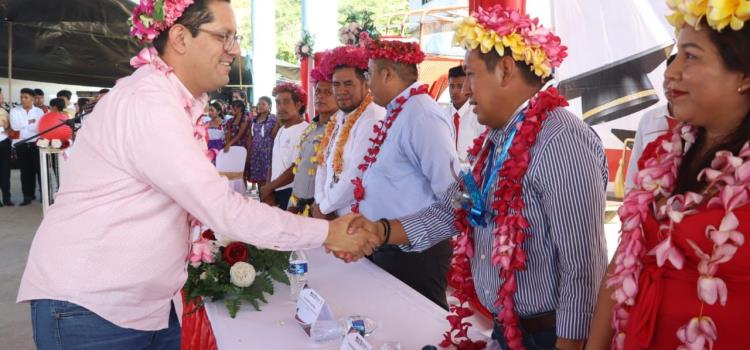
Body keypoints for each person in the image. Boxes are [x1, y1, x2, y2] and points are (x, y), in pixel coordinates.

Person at [16, 1, 377, 348]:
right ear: (180, 38)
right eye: (224, 36)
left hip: (150, 307)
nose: (234, 51)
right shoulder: (148, 101)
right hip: (92, 310)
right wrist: (328, 232)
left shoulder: (174, 100)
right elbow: (221, 209)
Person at [343, 6, 607, 350]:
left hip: (549, 336)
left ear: (507, 70)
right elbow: (454, 209)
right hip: (509, 329)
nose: (465, 89)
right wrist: (381, 230)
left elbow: (583, 265)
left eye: (471, 74)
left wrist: (569, 346)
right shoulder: (496, 140)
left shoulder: (560, 140)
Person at [587, 4, 750, 349]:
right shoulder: (662, 152)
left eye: (690, 56)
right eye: (675, 55)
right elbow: (622, 264)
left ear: (745, 76)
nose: (669, 72)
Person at [347, 38, 460, 310]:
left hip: (416, 250)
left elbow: (450, 194)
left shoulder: (422, 115)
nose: (367, 82)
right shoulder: (399, 112)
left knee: (422, 326)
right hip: (387, 242)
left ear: (387, 74)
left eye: (369, 73)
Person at [312, 45, 385, 219]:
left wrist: (324, 207)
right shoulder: (338, 118)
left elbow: (356, 174)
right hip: (331, 213)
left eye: (348, 84)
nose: (341, 91)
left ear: (365, 83)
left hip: (358, 217)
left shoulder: (374, 116)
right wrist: (320, 203)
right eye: (336, 84)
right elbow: (323, 164)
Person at [288, 64, 339, 215]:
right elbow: (300, 168)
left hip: (321, 210)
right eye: (317, 91)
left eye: (327, 92)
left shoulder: (340, 130)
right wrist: (292, 203)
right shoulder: (310, 129)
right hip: (297, 205)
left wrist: (321, 208)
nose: (320, 96)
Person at [625, 54, 678, 192]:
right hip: (648, 201)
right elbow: (634, 169)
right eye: (667, 79)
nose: (670, 86)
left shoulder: (703, 121)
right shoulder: (649, 118)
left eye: (677, 79)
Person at [260, 82, 308, 209]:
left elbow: (296, 169)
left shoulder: (306, 131)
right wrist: (268, 190)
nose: (280, 107)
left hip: (293, 193)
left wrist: (268, 188)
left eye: (286, 102)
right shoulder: (281, 130)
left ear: (298, 105)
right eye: (278, 103)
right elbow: (273, 163)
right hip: (275, 191)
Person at [10, 88, 44, 206]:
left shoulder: (39, 112)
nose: (23, 99)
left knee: (39, 170)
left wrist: (24, 127)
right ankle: (27, 196)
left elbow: (39, 128)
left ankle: (43, 195)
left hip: (36, 144)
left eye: (26, 97)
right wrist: (30, 125)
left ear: (32, 99)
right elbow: (15, 127)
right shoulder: (14, 111)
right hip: (21, 145)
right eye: (21, 97)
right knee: (25, 172)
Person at [446, 65, 484, 162]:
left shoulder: (478, 115)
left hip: (471, 172)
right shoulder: (442, 115)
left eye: (460, 86)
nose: (455, 91)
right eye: (451, 86)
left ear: (468, 86)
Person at [246, 96, 275, 187]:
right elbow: (251, 137)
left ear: (269, 106)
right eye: (259, 104)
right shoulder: (254, 120)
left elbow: (275, 135)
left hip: (268, 153)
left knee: (268, 180)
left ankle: (268, 200)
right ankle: (261, 200)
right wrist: (249, 153)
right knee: (259, 180)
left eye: (263, 104)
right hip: (256, 153)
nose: (260, 106)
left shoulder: (273, 118)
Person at [0, 87, 12, 207]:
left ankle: (7, 198)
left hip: (4, 144)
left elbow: (12, 132)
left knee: (5, 172)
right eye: (1, 96)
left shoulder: (5, 111)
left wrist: (7, 128)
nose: (2, 98)